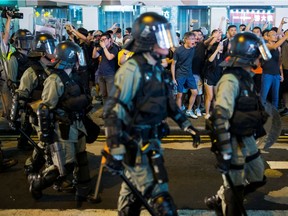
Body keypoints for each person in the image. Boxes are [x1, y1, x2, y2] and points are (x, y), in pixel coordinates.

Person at [103, 12, 200, 216]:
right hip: (135, 142)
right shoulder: (131, 70)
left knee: (133, 193)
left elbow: (168, 103)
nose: (168, 43)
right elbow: (113, 111)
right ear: (148, 41)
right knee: (160, 198)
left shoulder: (155, 68)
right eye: (163, 38)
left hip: (152, 140)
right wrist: (115, 149)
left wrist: (186, 125)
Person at [204, 32, 272, 216]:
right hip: (233, 141)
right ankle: (226, 200)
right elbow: (220, 116)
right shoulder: (230, 80)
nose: (260, 57)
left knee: (258, 176)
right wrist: (225, 150)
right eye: (257, 53)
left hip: (246, 138)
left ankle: (220, 198)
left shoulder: (245, 77)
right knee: (235, 188)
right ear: (247, 55)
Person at [28, 41, 95, 203]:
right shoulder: (55, 79)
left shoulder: (73, 76)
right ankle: (37, 184)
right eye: (77, 57)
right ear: (69, 58)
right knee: (65, 165)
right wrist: (46, 135)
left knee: (82, 157)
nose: (80, 60)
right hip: (63, 127)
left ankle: (84, 188)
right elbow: (45, 108)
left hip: (77, 124)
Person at [9, 32, 57, 175]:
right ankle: (34, 168)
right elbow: (20, 95)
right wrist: (14, 117)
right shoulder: (31, 72)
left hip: (54, 113)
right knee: (45, 145)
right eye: (50, 48)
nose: (53, 51)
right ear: (41, 52)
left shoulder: (55, 68)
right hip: (39, 115)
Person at [171, 31, 198, 119]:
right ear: (185, 40)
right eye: (191, 39)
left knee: (195, 92)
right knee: (179, 95)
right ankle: (179, 113)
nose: (193, 41)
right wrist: (173, 78)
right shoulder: (178, 50)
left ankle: (189, 111)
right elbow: (173, 64)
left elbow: (205, 42)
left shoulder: (193, 48)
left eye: (194, 39)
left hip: (189, 74)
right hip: (180, 74)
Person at [92, 32, 119, 105]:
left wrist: (104, 47)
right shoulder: (102, 49)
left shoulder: (114, 48)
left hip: (110, 75)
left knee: (111, 95)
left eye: (104, 39)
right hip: (101, 74)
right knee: (103, 95)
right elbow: (94, 56)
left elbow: (110, 57)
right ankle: (105, 111)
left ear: (109, 39)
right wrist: (95, 46)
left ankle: (112, 112)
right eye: (101, 40)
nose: (103, 41)